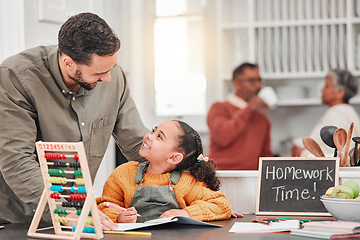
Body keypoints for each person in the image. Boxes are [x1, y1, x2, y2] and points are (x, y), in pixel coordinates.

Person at [0, 12, 148, 225]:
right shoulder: (16, 77)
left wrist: (189, 171)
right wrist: (71, 210)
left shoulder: (113, 78)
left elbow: (137, 144)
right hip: (18, 219)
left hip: (80, 219)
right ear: (68, 63)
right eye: (99, 73)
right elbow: (16, 160)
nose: (108, 78)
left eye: (111, 69)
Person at [96, 120, 232, 224]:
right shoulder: (123, 173)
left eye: (159, 137)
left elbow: (221, 205)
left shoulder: (187, 182)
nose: (149, 136)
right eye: (153, 131)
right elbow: (104, 205)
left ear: (174, 157)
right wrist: (118, 217)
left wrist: (187, 213)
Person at [207, 63, 273, 170]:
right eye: (252, 81)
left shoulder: (262, 119)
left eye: (259, 80)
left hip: (251, 179)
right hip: (222, 177)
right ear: (237, 83)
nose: (258, 86)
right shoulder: (218, 108)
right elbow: (222, 137)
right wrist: (248, 109)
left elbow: (266, 156)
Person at [292, 69, 360, 158]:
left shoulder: (337, 115)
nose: (322, 89)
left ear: (340, 92)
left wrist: (301, 153)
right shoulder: (347, 112)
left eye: (327, 86)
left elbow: (329, 155)